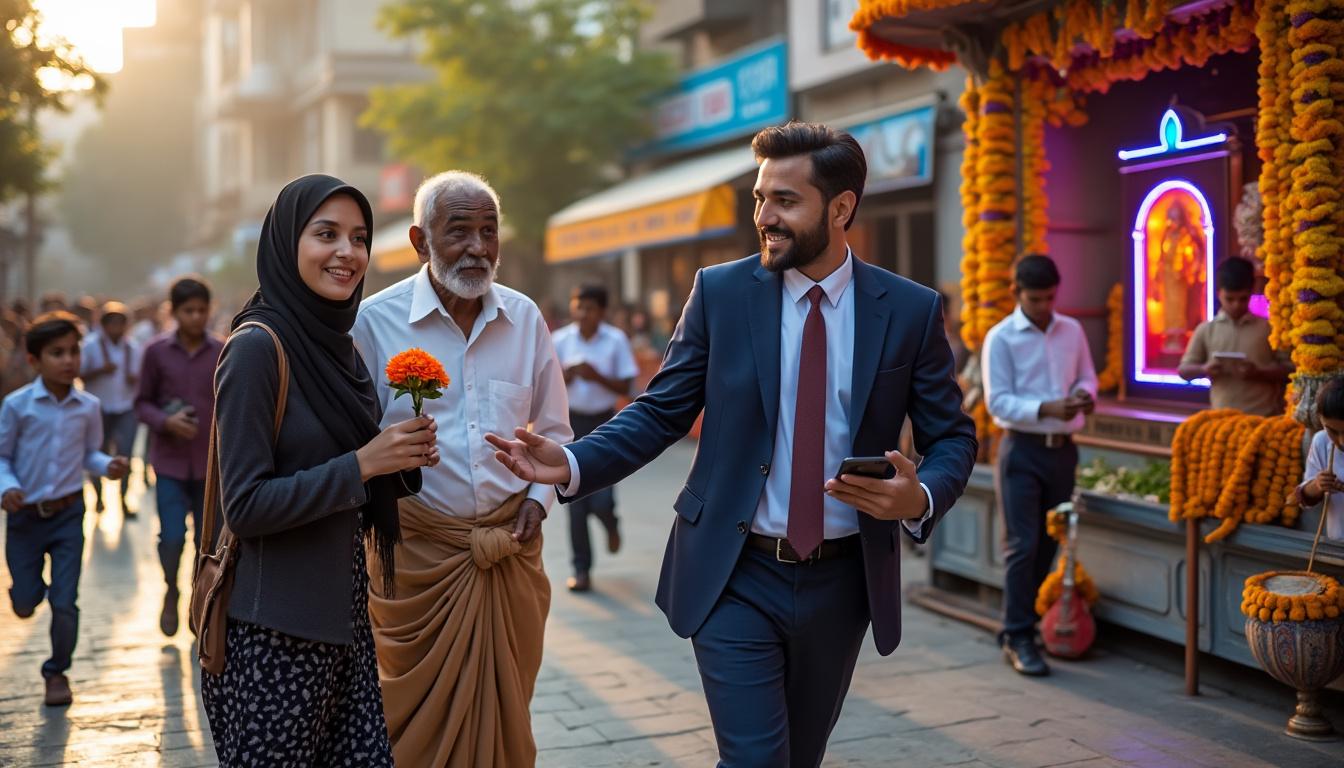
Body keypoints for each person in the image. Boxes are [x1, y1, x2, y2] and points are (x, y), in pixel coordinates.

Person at [489, 122, 977, 767]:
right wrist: (574, 460)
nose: (764, 217)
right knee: (755, 760)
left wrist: (919, 497)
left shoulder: (909, 311)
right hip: (733, 570)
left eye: (784, 200)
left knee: (799, 758)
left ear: (841, 208)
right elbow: (662, 410)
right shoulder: (720, 294)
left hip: (844, 580)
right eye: (759, 198)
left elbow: (953, 437)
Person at [199, 174, 436, 767]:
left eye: (359, 238)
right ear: (286, 242)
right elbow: (246, 506)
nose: (347, 253)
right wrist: (363, 463)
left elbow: (350, 475)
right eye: (325, 234)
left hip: (347, 624)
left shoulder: (339, 347)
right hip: (273, 635)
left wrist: (397, 460)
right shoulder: (257, 348)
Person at [353, 170, 572, 767]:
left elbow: (554, 430)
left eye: (489, 231)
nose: (478, 247)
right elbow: (353, 441)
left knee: (507, 706)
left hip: (510, 553)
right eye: (459, 232)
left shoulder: (524, 318)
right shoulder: (375, 323)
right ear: (421, 243)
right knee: (408, 719)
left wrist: (536, 501)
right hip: (418, 558)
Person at [0, 312, 129, 706]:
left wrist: (107, 465)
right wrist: (9, 487)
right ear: (35, 360)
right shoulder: (17, 406)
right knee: (26, 600)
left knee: (64, 600)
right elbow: (2, 457)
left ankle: (57, 672)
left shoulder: (88, 406)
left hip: (70, 514)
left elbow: (90, 451)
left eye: (74, 351)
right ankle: (24, 595)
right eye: (57, 353)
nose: (69, 360)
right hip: (24, 518)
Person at [982, 254, 1098, 677]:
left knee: (1050, 544)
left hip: (1063, 450)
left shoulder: (1072, 330)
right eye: (1035, 299)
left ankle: (1019, 626)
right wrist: (1047, 407)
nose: (1045, 306)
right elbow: (998, 404)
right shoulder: (1000, 338)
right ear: (1016, 293)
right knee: (1022, 545)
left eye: (1050, 298)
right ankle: (1018, 636)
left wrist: (1084, 395)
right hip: (1021, 450)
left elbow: (1088, 376)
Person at [135, 277, 222, 637]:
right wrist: (165, 421)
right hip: (169, 463)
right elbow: (141, 403)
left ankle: (198, 604)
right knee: (171, 537)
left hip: (210, 465)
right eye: (189, 311)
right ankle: (171, 589)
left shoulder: (222, 350)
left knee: (208, 543)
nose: (196, 317)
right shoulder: (156, 352)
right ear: (173, 312)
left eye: (202, 310)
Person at [551, 284, 638, 592]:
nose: (583, 314)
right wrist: (568, 376)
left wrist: (595, 375)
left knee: (600, 498)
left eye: (590, 308)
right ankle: (581, 570)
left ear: (602, 311)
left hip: (605, 423)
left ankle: (610, 521)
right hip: (570, 424)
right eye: (579, 307)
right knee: (574, 500)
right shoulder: (559, 340)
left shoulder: (615, 340)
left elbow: (628, 387)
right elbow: (546, 383)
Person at [1178, 256, 1290, 416]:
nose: (1236, 305)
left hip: (1264, 420)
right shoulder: (1206, 330)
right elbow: (1183, 371)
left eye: (1242, 299)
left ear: (1252, 291)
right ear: (1218, 294)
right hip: (1221, 421)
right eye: (1229, 299)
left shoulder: (1270, 328)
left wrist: (1259, 372)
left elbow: (1290, 371)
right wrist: (1205, 369)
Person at [81, 301, 140, 517]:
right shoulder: (90, 345)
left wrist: (135, 379)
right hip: (98, 408)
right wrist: (99, 371)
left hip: (125, 407)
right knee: (97, 454)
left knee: (126, 456)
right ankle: (98, 497)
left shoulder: (132, 347)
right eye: (112, 323)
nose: (117, 328)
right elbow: (79, 374)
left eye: (121, 323)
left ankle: (123, 500)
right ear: (103, 325)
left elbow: (140, 377)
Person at [1295, 377, 1344, 541]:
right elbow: (1304, 496)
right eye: (1333, 431)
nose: (1341, 441)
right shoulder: (1322, 441)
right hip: (1338, 543)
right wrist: (1317, 485)